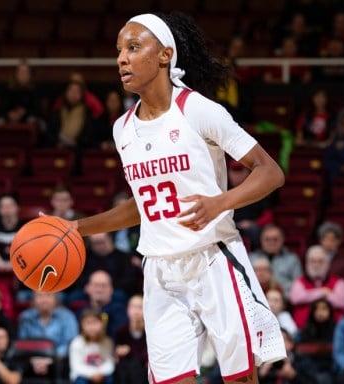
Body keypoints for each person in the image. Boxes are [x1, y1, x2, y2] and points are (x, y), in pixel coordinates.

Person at [54, 12, 287, 383]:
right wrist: (76, 228)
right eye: (119, 51)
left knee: (239, 378)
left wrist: (219, 202)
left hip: (213, 256)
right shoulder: (122, 128)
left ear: (164, 55)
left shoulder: (198, 110)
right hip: (160, 268)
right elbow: (140, 206)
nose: (121, 59)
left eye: (133, 47)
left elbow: (270, 172)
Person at [17, 291, 79, 378]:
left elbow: (70, 343)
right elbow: (22, 343)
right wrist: (34, 360)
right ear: (33, 300)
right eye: (40, 296)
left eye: (48, 296)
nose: (44, 300)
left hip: (59, 362)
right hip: (32, 362)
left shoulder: (67, 317)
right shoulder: (25, 317)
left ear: (55, 299)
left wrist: (50, 359)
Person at [289, 245, 344, 329]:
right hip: (303, 331)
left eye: (320, 261)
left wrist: (308, 296)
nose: (316, 265)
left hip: (334, 331)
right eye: (312, 261)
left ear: (327, 263)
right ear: (306, 263)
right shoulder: (299, 281)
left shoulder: (339, 282)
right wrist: (322, 292)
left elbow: (341, 302)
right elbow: (295, 299)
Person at [69, 270, 129, 339]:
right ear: (87, 288)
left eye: (104, 286)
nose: (99, 290)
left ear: (111, 289)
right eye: (96, 285)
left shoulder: (120, 311)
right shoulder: (79, 309)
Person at [249, 224, 302, 297]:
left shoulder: (292, 259)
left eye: (275, 239)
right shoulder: (251, 258)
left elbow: (298, 286)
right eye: (267, 239)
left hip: (284, 300)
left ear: (282, 239)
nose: (271, 243)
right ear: (261, 240)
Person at [69, 309, 115, 384]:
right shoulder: (76, 343)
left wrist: (100, 373)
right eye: (88, 323)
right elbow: (76, 366)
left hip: (102, 375)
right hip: (83, 376)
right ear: (82, 325)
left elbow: (109, 362)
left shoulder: (107, 342)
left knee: (110, 379)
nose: (91, 327)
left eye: (95, 322)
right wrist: (92, 374)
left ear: (101, 324)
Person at [113, 294, 148, 384]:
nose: (136, 311)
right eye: (133, 307)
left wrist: (130, 350)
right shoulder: (121, 331)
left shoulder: (150, 332)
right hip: (126, 372)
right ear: (127, 309)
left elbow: (145, 356)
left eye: (140, 307)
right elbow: (117, 355)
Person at [0, 193, 25, 270]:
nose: (6, 209)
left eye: (10, 206)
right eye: (3, 206)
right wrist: (1, 264)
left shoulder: (24, 227)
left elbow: (27, 251)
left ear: (17, 207)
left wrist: (15, 265)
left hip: (20, 263)